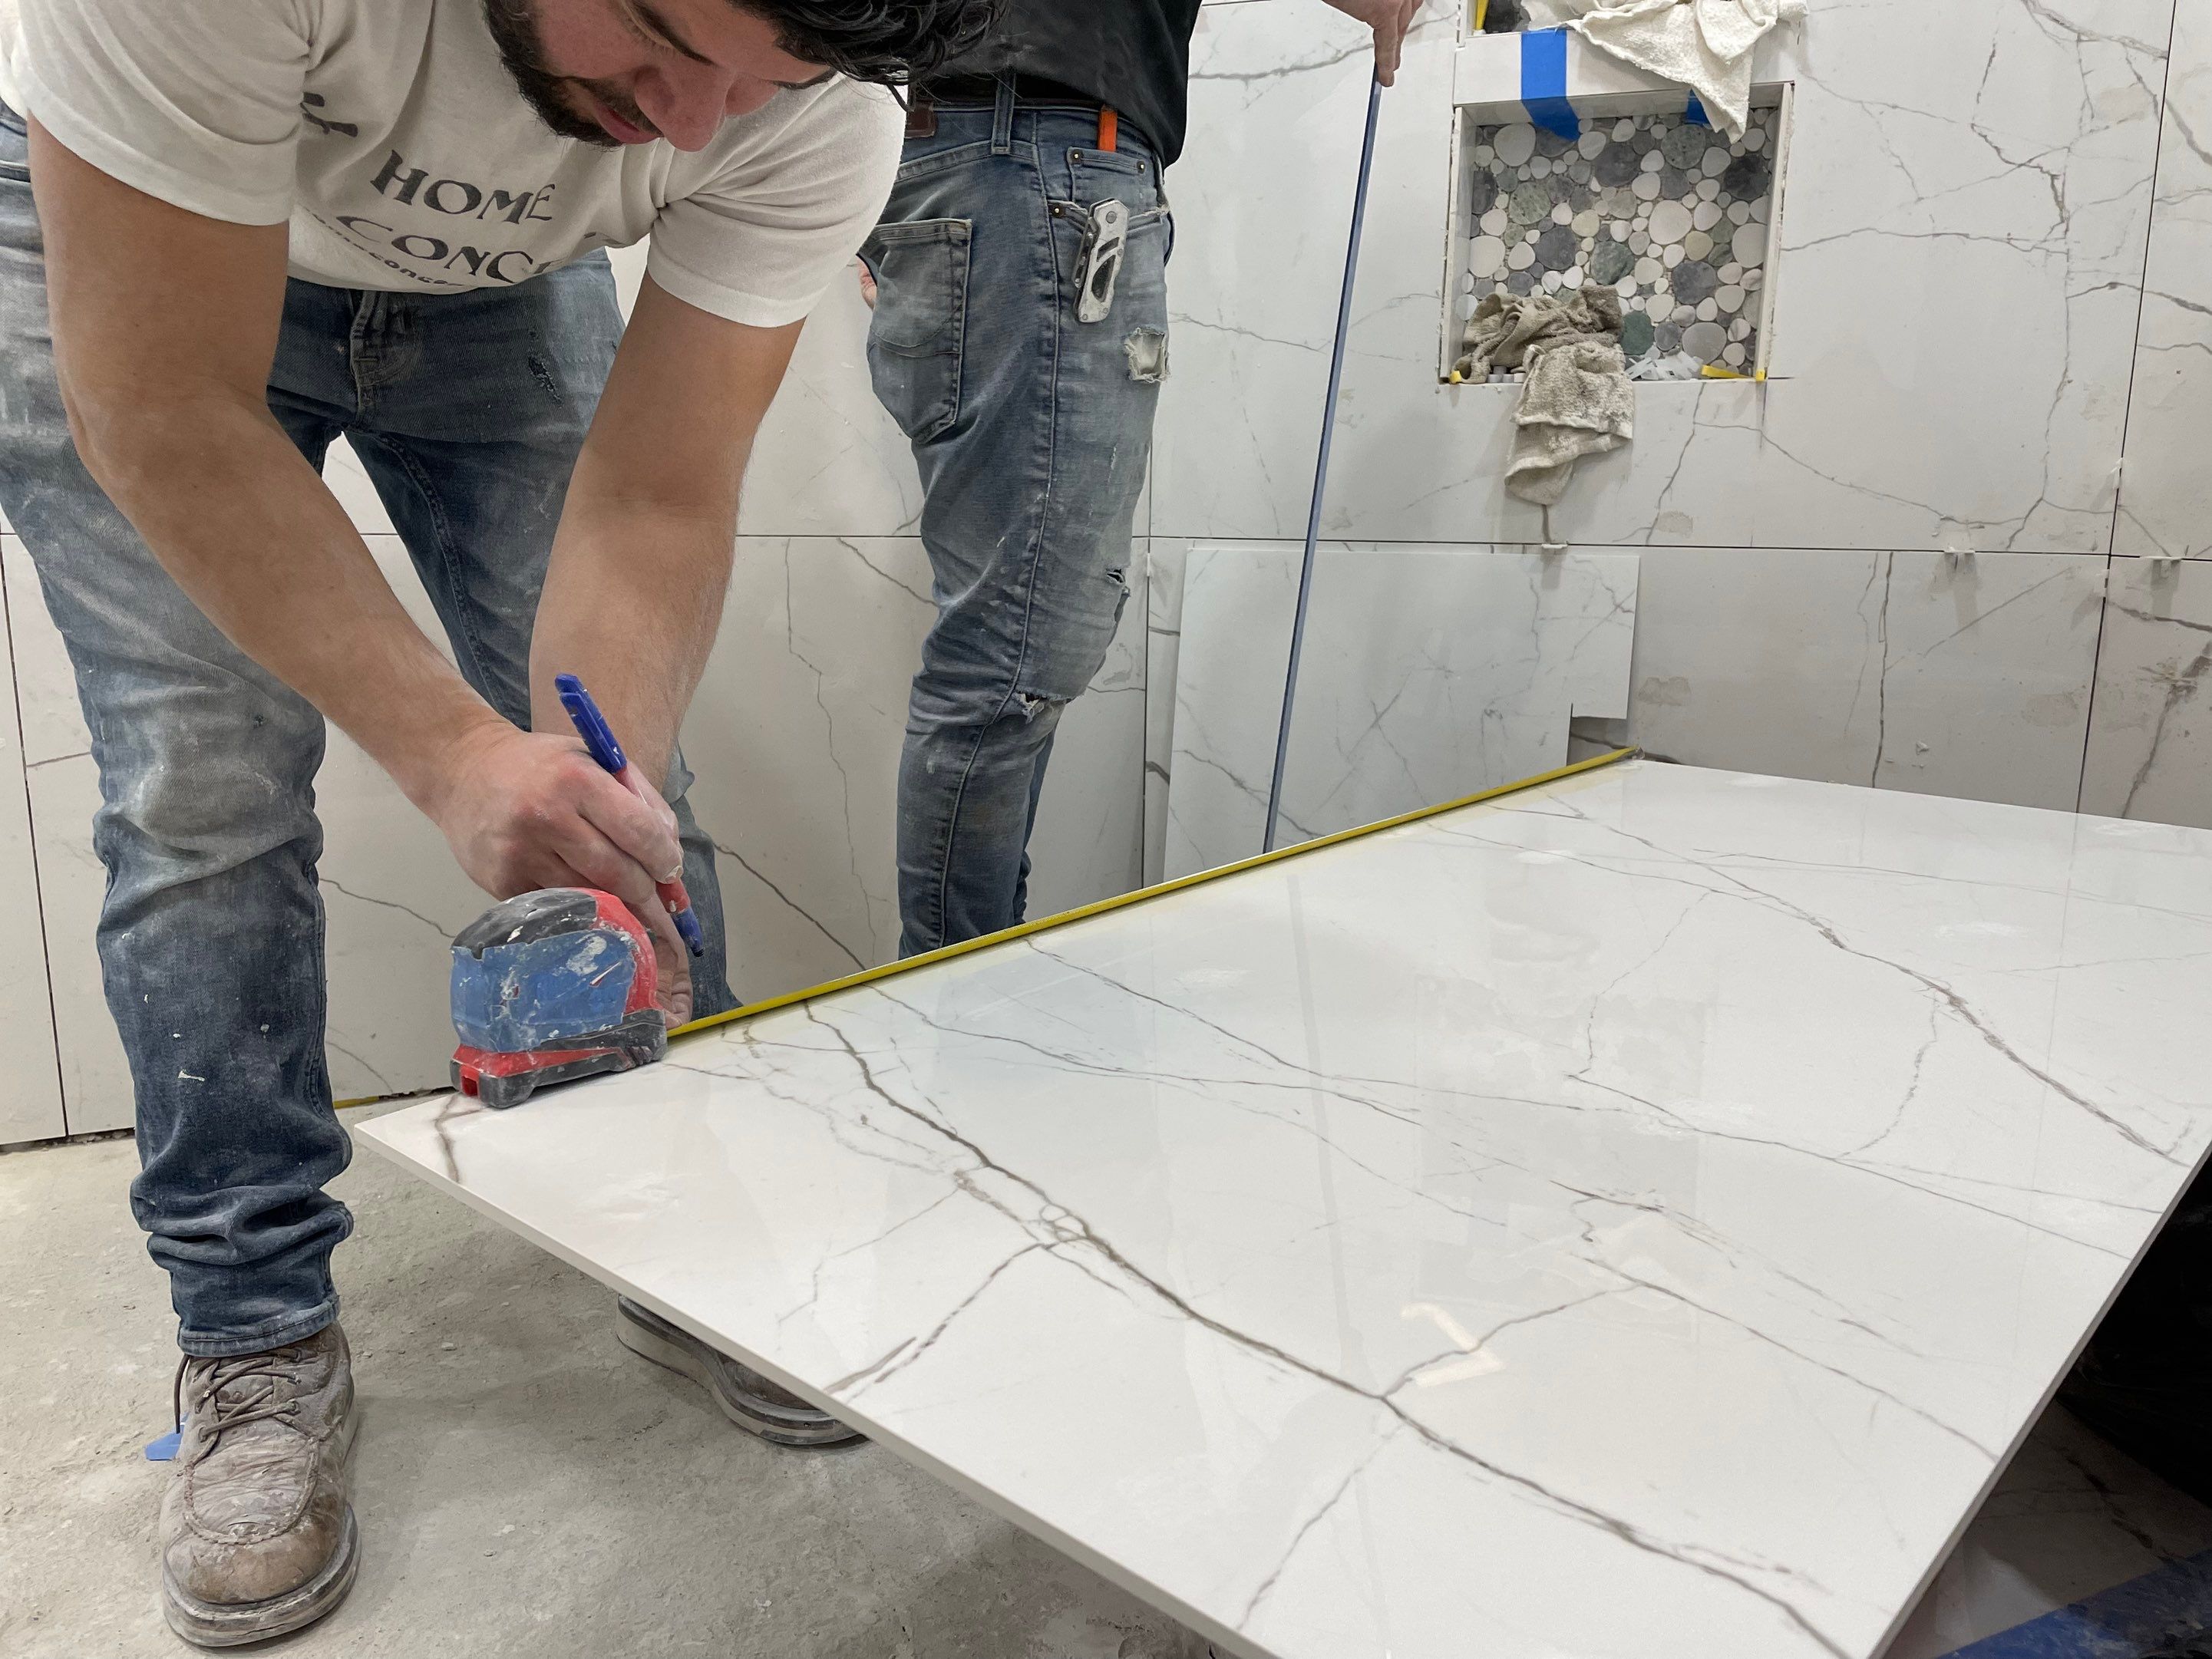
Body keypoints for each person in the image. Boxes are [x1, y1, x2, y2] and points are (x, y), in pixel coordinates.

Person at [0, 0, 985, 1643]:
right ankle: (251, 1330)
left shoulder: (806, 108)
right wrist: (452, 757)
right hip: (129, 215)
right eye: (675, 38)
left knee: (617, 798)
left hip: (495, 292)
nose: (696, 125)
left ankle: (674, 1237)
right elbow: (169, 411)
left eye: (767, 81)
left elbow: (661, 494)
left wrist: (573, 779)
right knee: (203, 785)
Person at [861, 0, 1421, 959]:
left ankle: (972, 986)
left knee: (1017, 654)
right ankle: (960, 1014)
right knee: (1010, 663)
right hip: (1039, 166)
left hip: (998, 161)